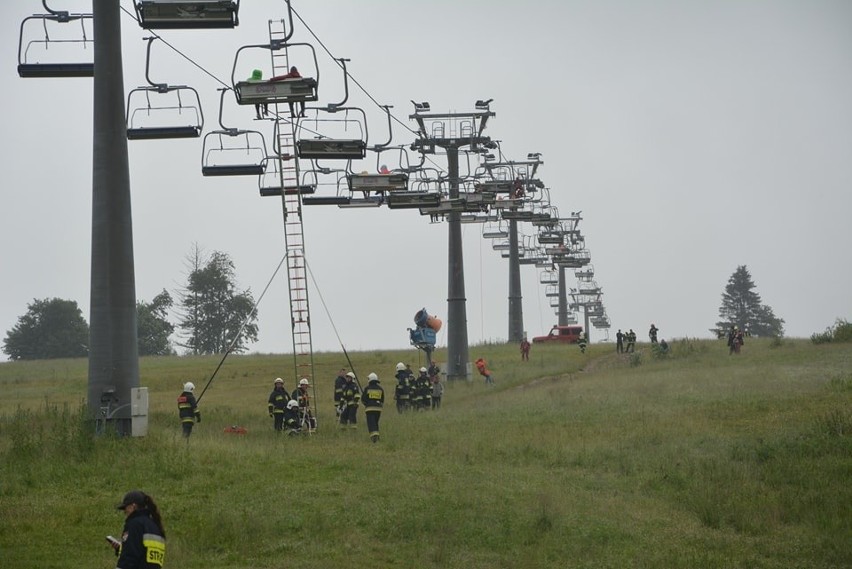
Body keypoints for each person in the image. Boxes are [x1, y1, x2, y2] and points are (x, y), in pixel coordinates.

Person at [111, 490, 166, 569]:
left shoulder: (135, 524)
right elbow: (144, 553)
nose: (125, 512)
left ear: (133, 506)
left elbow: (130, 556)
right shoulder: (155, 526)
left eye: (125, 508)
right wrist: (121, 548)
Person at [362, 372, 384, 443]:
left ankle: (374, 439)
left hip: (370, 409)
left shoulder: (367, 388)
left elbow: (363, 399)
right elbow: (382, 400)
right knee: (375, 423)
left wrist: (367, 404)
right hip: (378, 409)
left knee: (371, 424)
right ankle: (377, 436)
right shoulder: (380, 389)